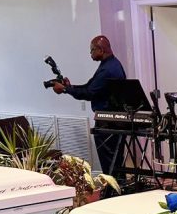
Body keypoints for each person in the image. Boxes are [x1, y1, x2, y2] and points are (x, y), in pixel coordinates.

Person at [52, 35, 127, 187]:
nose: (90, 53)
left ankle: (113, 188)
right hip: (112, 120)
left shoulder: (107, 69)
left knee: (110, 160)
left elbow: (89, 93)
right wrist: (70, 87)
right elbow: (90, 87)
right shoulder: (110, 64)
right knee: (114, 160)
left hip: (108, 122)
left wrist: (65, 89)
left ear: (101, 50)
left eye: (92, 50)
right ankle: (116, 186)